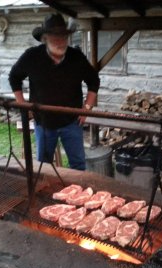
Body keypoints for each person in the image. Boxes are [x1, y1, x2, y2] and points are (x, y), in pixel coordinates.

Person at [9, 13, 100, 171]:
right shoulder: (32, 56)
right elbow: (14, 77)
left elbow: (94, 80)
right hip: (44, 122)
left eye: (64, 37)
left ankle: (77, 194)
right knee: (44, 165)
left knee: (78, 164)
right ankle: (47, 194)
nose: (61, 42)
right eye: (55, 37)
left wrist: (87, 109)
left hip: (72, 122)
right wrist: (22, 103)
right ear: (45, 38)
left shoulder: (76, 57)